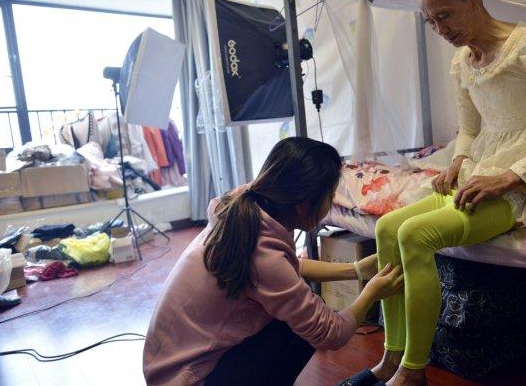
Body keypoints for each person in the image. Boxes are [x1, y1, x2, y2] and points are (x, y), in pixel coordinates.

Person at [342, 0, 526, 385]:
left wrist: (512, 176)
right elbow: (471, 129)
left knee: (414, 235)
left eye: (445, 15)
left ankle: (413, 372)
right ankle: (392, 356)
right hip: (484, 164)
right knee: (387, 228)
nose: (440, 29)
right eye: (430, 20)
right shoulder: (461, 62)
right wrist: (459, 160)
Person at [143, 137, 403, 386]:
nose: (330, 204)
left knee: (296, 317)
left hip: (169, 367)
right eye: (329, 197)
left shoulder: (246, 205)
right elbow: (329, 333)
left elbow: (285, 271)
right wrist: (372, 293)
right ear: (303, 205)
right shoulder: (261, 250)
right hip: (192, 377)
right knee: (299, 329)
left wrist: (356, 270)